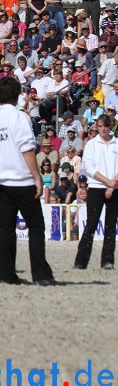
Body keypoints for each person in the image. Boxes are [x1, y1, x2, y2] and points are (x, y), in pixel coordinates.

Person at [0, 76, 56, 285]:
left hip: (0, 181)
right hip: (22, 180)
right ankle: (41, 275)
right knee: (36, 226)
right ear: (17, 94)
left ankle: (6, 275)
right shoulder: (19, 117)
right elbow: (27, 149)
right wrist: (37, 177)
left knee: (5, 229)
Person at [74, 114, 118, 270]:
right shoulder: (92, 144)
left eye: (106, 125)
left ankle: (107, 261)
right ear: (96, 127)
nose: (103, 129)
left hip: (114, 188)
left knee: (110, 226)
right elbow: (90, 168)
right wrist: (107, 182)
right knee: (91, 224)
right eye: (100, 126)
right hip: (96, 187)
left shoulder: (116, 144)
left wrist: (112, 185)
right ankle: (81, 261)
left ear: (110, 126)